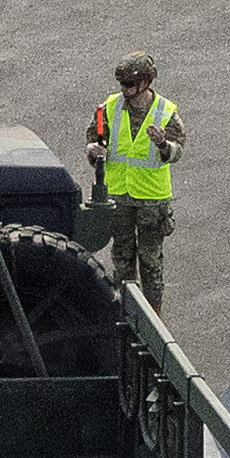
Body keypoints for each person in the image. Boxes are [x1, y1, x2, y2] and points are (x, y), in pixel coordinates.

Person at [90, 51, 184, 309]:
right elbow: (93, 139)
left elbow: (177, 152)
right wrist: (93, 150)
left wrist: (163, 144)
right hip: (119, 196)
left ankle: (153, 317)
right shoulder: (109, 108)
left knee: (151, 261)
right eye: (121, 84)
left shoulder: (166, 112)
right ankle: (124, 314)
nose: (124, 89)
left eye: (129, 84)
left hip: (152, 200)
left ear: (145, 83)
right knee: (122, 260)